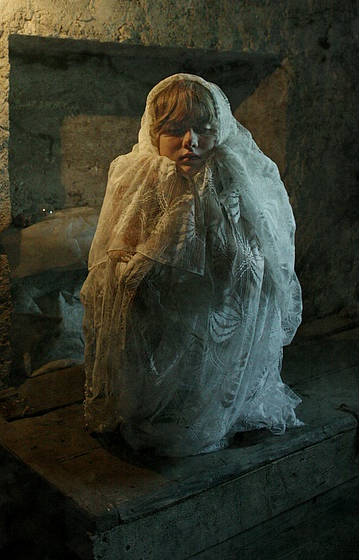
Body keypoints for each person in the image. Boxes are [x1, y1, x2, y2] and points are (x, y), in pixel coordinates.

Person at [80, 73, 303, 456]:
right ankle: (161, 408)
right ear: (154, 134)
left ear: (220, 130)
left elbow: (261, 239)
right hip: (161, 306)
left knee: (212, 346)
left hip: (218, 305)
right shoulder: (142, 176)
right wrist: (134, 263)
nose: (191, 141)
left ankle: (215, 406)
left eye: (203, 129)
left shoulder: (231, 175)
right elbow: (121, 239)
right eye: (175, 130)